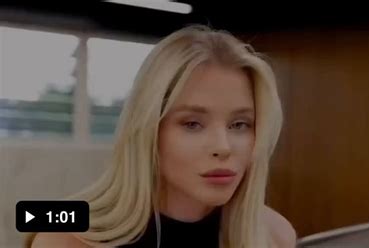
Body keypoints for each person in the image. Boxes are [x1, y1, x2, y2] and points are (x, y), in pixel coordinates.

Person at [27, 24, 296, 248]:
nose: (223, 147)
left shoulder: (273, 235)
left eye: (239, 124)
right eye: (192, 124)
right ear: (148, 129)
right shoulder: (64, 232)